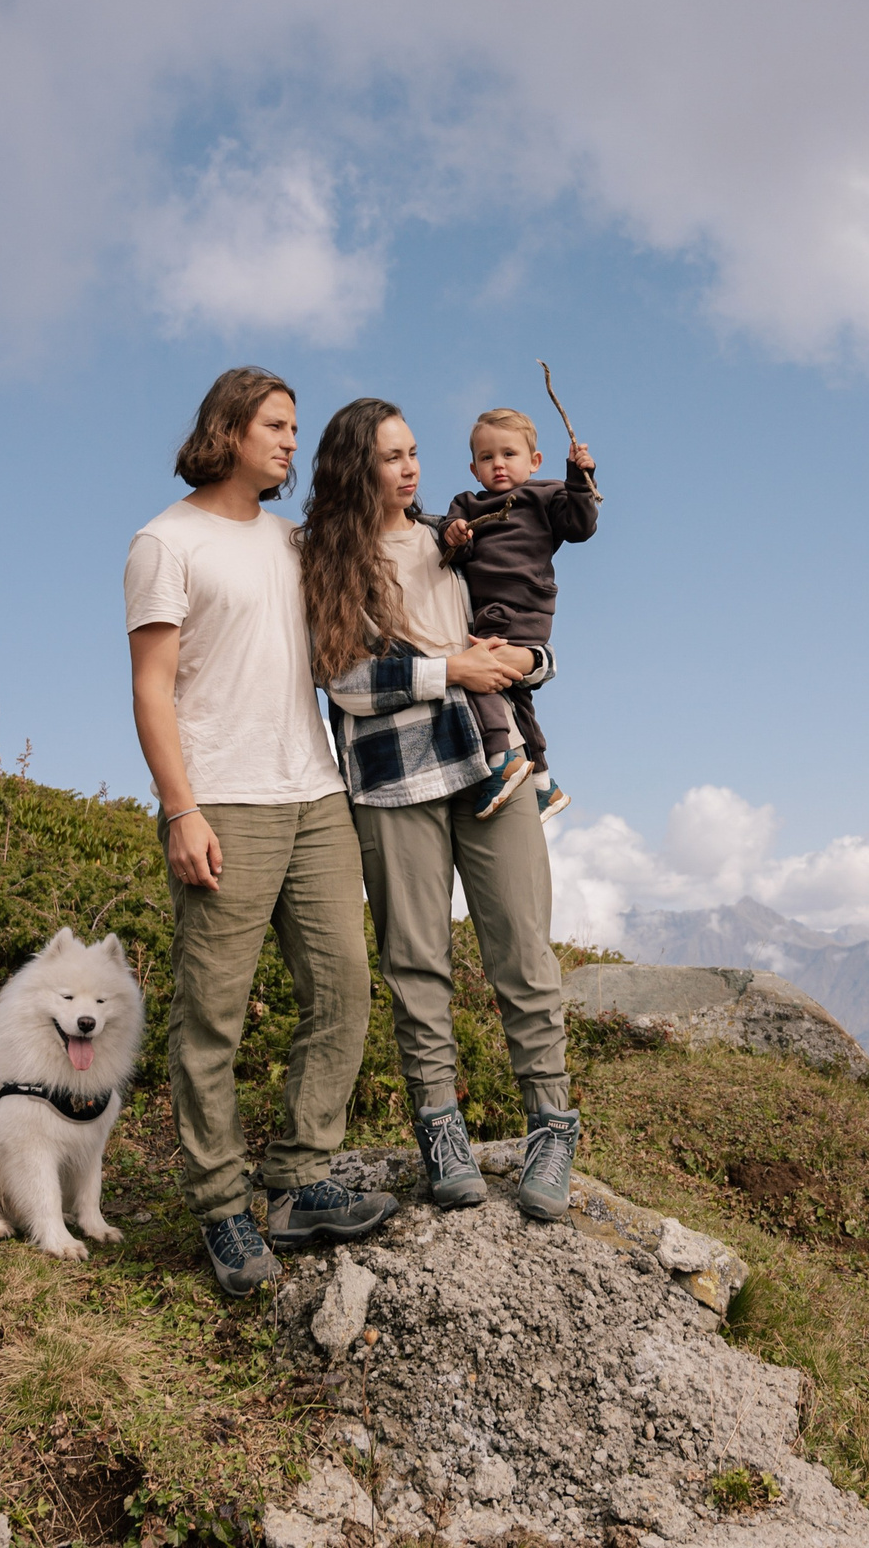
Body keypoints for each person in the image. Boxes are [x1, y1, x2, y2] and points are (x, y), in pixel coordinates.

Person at [124, 366, 397, 1296]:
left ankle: (299, 1180)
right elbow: (151, 689)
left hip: (315, 792)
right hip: (224, 802)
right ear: (229, 429)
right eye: (276, 425)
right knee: (214, 1013)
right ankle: (221, 1207)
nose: (290, 441)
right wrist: (181, 808)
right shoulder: (166, 542)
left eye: (294, 428)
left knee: (343, 985)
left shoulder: (293, 542)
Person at [297, 397, 581, 1221]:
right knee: (415, 963)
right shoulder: (329, 558)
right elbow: (343, 678)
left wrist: (532, 659)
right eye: (391, 456)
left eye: (414, 451)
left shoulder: (452, 534)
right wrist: (449, 671)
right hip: (394, 782)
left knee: (523, 949)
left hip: (493, 768)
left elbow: (522, 621)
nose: (410, 467)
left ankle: (552, 1126)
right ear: (358, 468)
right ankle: (440, 1131)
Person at [439, 407, 600, 823]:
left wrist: (580, 478)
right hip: (496, 610)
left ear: (534, 461)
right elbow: (454, 545)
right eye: (487, 458)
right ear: (474, 468)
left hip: (519, 605)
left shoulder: (545, 496)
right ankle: (544, 782)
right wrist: (454, 533)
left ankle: (499, 758)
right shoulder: (467, 503)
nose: (499, 465)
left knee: (479, 675)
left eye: (509, 454)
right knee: (516, 694)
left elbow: (581, 526)